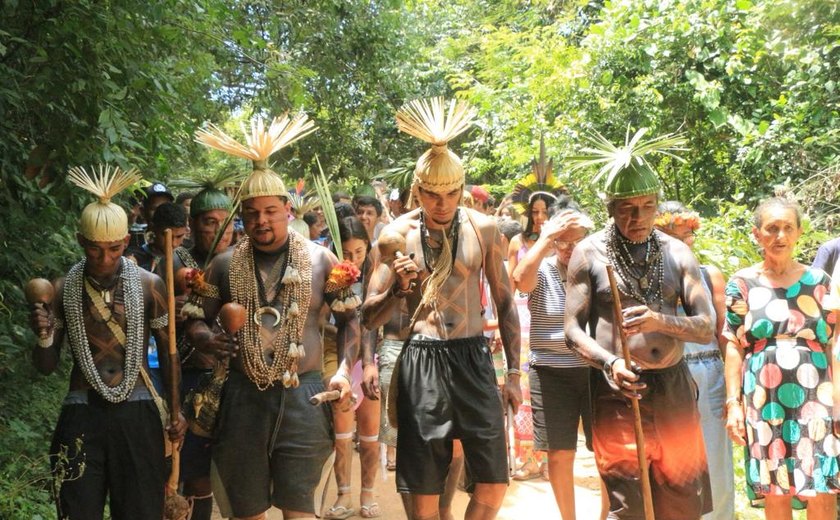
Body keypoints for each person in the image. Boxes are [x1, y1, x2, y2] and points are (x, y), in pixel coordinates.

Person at [187, 114, 360, 520]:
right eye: (251, 213)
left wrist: (345, 370)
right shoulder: (224, 265)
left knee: (299, 511)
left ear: (287, 209)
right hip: (242, 397)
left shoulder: (321, 261)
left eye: (270, 211)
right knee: (246, 512)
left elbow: (351, 320)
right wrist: (205, 339)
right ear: (241, 216)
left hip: (304, 395)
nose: (261, 221)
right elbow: (195, 319)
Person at [362, 97, 521, 520]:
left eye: (451, 194)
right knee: (424, 482)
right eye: (432, 195)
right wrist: (398, 288)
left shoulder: (483, 229)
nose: (442, 204)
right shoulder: (395, 235)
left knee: (494, 478)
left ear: (462, 188)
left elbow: (506, 305)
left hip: (472, 356)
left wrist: (516, 375)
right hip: (422, 357)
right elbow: (366, 317)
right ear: (417, 191)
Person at [564, 128, 714, 520]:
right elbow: (572, 330)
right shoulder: (589, 253)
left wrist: (658, 320)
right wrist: (609, 363)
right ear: (611, 208)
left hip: (673, 389)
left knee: (681, 497)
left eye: (648, 206)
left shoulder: (677, 253)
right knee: (627, 503)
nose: (638, 217)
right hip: (617, 393)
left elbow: (705, 326)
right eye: (628, 207)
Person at [28, 165, 186, 519]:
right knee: (78, 509)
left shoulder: (149, 285)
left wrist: (176, 412)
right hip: (82, 410)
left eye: (113, 249)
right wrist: (44, 334)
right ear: (81, 242)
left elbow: (169, 350)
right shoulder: (62, 287)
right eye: (95, 250)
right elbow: (46, 366)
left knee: (141, 511)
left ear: (126, 242)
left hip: (139, 409)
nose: (104, 259)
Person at [723, 197, 839, 518]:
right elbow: (733, 343)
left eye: (788, 228)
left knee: (821, 484)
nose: (780, 236)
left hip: (818, 396)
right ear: (757, 234)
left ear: (799, 232)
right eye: (771, 228)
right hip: (764, 397)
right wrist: (734, 404)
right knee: (775, 487)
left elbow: (834, 344)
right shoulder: (742, 283)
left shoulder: (819, 283)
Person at [512, 198, 608, 520]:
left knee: (606, 451)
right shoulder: (542, 269)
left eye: (577, 241)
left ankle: (608, 515)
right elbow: (520, 280)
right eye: (562, 242)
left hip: (597, 371)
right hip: (551, 372)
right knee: (559, 454)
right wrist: (544, 240)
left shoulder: (599, 270)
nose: (569, 249)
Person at [654, 201, 735, 520]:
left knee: (716, 460)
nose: (689, 237)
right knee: (675, 461)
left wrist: (733, 393)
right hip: (671, 374)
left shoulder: (709, 275)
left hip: (710, 372)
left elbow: (725, 334)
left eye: (691, 233)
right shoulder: (650, 278)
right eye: (681, 231)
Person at [169, 177, 236, 520]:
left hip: (234, 377)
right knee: (194, 470)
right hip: (192, 374)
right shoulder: (179, 260)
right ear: (192, 225)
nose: (220, 232)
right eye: (210, 223)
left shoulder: (241, 261)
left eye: (226, 224)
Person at [505, 141, 567, 481]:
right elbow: (510, 286)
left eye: (545, 212)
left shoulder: (564, 242)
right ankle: (527, 457)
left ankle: (547, 456)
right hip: (523, 321)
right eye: (535, 212)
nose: (540, 217)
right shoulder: (518, 243)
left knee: (545, 392)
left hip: (551, 321)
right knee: (524, 392)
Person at [324, 216, 382, 520]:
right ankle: (343, 494)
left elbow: (373, 320)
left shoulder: (376, 271)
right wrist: (343, 333)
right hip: (340, 362)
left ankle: (368, 494)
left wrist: (369, 359)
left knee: (370, 433)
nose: (354, 259)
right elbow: (320, 318)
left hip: (371, 361)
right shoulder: (328, 273)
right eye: (347, 253)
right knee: (343, 434)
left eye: (359, 251)